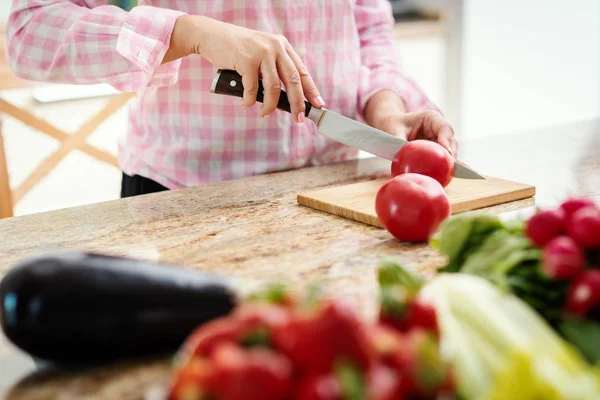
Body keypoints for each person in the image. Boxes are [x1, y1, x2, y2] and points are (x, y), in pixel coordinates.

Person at [5, 0, 457, 197]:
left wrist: (385, 103)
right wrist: (190, 32)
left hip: (338, 190)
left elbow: (368, 22)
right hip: (184, 199)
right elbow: (30, 31)